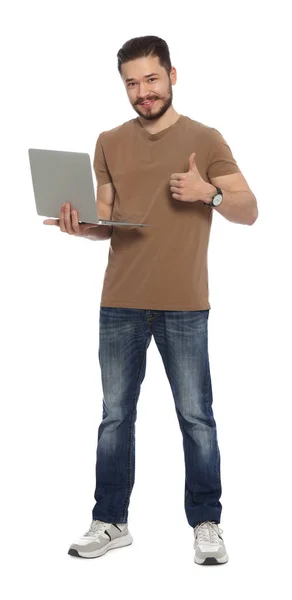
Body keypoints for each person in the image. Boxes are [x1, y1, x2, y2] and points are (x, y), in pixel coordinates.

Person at [44, 35, 258, 565]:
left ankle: (206, 523)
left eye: (151, 79)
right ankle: (111, 521)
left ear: (172, 76)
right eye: (131, 83)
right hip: (119, 301)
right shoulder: (108, 141)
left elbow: (249, 208)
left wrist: (207, 192)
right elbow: (106, 218)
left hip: (185, 304)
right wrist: (81, 228)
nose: (142, 92)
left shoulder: (205, 139)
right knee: (115, 416)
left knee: (196, 416)